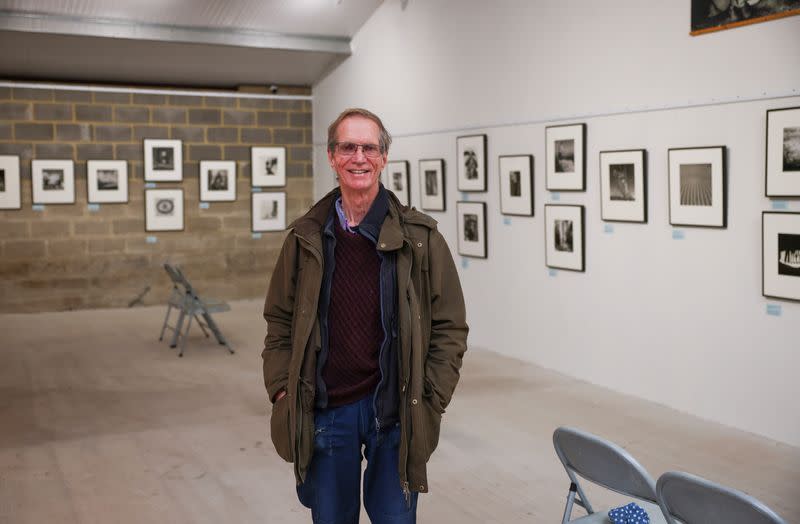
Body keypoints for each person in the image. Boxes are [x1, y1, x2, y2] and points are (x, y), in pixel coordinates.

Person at [262, 107, 468, 524]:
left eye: (369, 147)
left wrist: (431, 395)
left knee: (395, 518)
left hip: (394, 409)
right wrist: (283, 390)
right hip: (326, 407)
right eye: (348, 147)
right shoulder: (305, 239)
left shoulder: (421, 239)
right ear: (332, 157)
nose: (359, 157)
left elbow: (450, 325)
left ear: (384, 156)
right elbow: (279, 321)